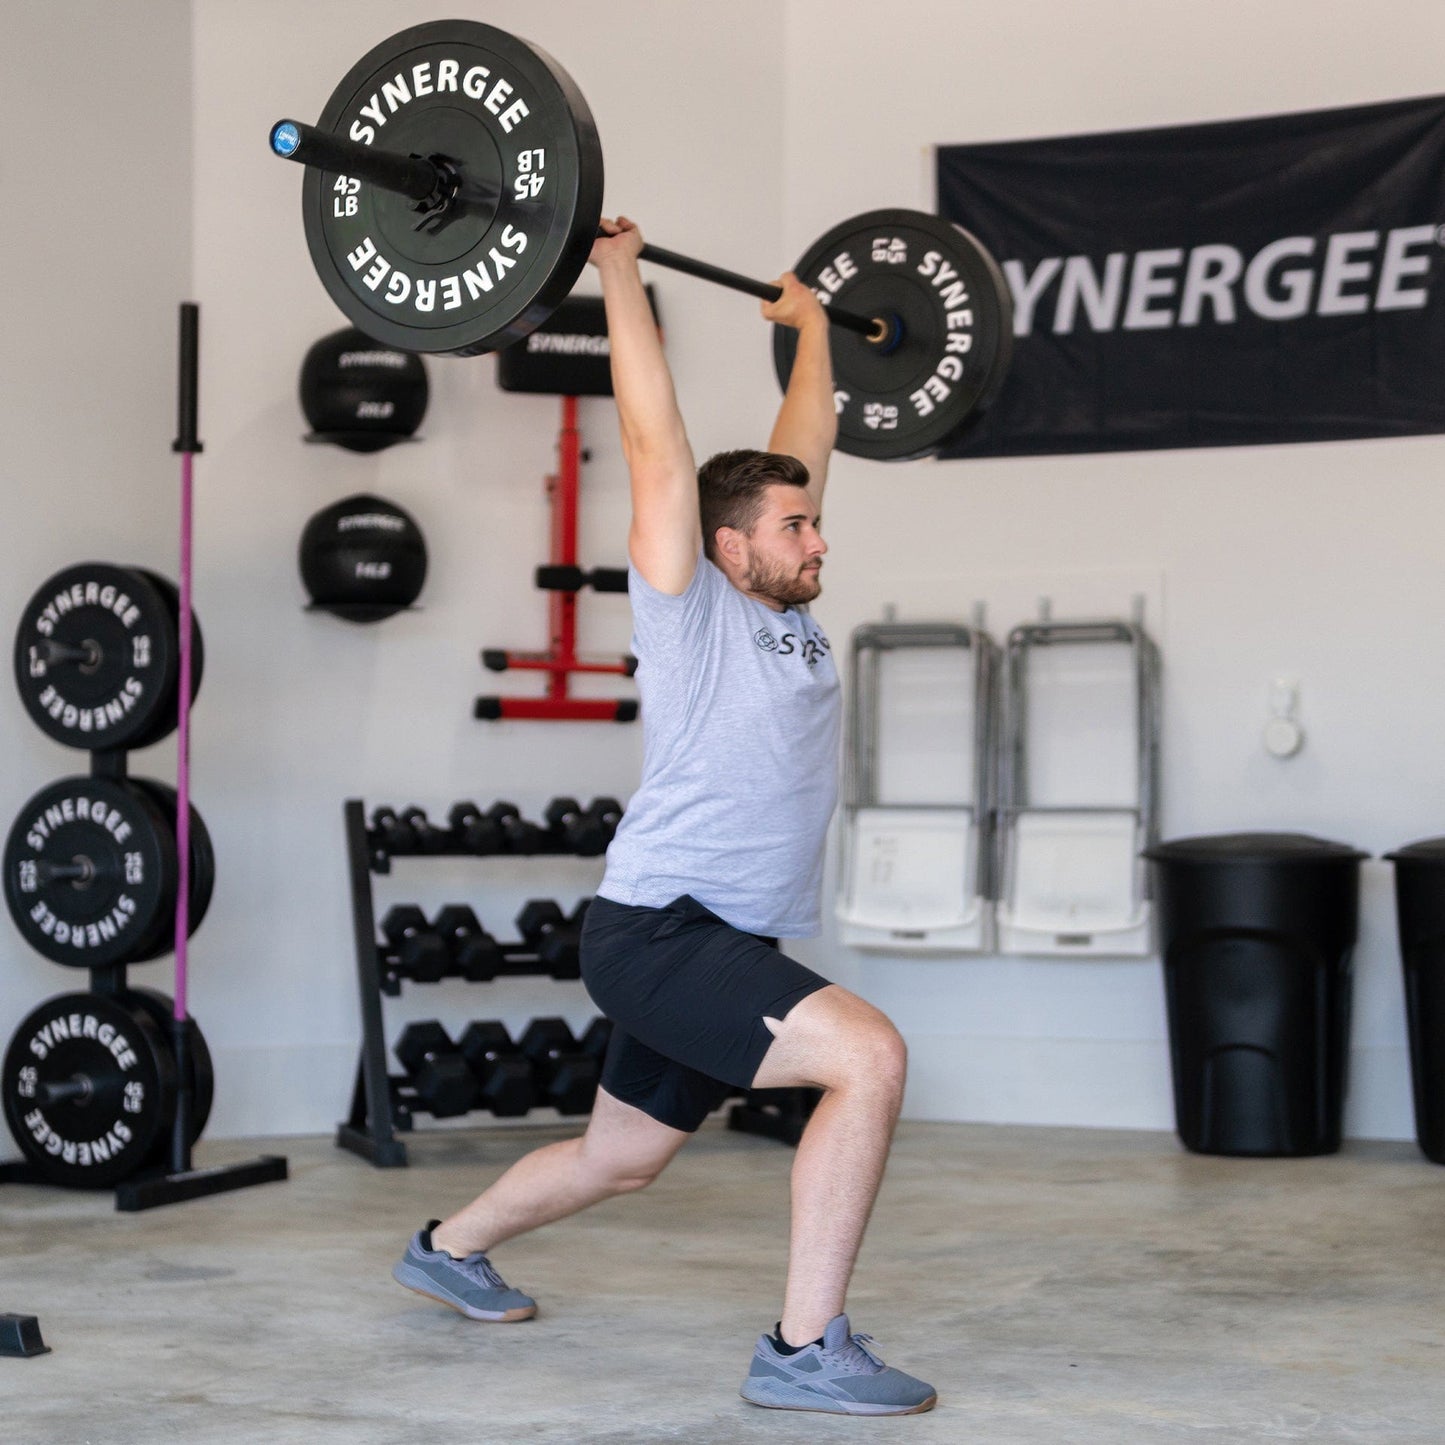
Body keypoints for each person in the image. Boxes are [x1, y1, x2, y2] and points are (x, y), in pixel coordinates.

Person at [391, 217, 936, 1418]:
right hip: (661, 930)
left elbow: (801, 443)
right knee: (869, 1056)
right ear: (729, 545)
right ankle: (801, 1347)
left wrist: (809, 339)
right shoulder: (692, 604)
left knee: (620, 1158)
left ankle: (445, 1246)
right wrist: (619, 274)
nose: (817, 535)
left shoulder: (780, 594)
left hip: (712, 936)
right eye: (796, 527)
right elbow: (657, 442)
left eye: (813, 519)